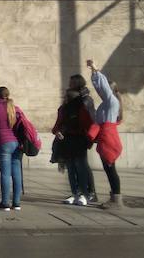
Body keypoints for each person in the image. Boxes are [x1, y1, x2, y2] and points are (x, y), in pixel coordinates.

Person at [52, 75, 96, 207]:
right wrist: (57, 131)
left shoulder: (85, 102)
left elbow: (91, 122)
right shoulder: (65, 107)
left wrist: (89, 137)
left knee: (81, 167)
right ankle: (75, 192)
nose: (69, 85)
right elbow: (58, 123)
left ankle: (86, 193)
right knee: (71, 168)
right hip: (67, 139)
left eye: (72, 83)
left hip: (79, 138)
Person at [87, 60, 124, 209]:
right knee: (109, 170)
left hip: (109, 140)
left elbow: (103, 88)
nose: (101, 91)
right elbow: (100, 88)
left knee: (111, 169)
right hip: (105, 138)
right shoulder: (105, 104)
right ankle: (114, 197)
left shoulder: (112, 101)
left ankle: (117, 199)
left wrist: (95, 70)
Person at [0, 86, 26, 211]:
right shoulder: (16, 108)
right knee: (17, 173)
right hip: (17, 143)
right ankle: (17, 203)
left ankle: (5, 203)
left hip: (3, 143)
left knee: (5, 174)